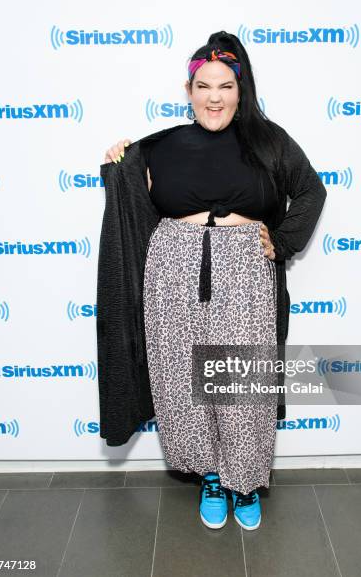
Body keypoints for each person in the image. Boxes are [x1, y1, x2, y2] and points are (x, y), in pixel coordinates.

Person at [99, 31, 327, 531]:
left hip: (245, 269)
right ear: (189, 90)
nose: (214, 96)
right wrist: (121, 161)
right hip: (172, 267)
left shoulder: (269, 141)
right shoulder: (161, 145)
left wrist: (283, 241)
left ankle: (244, 482)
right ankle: (211, 476)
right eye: (204, 86)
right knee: (182, 380)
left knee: (243, 383)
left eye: (225, 85)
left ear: (241, 91)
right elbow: (129, 191)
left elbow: (311, 190)